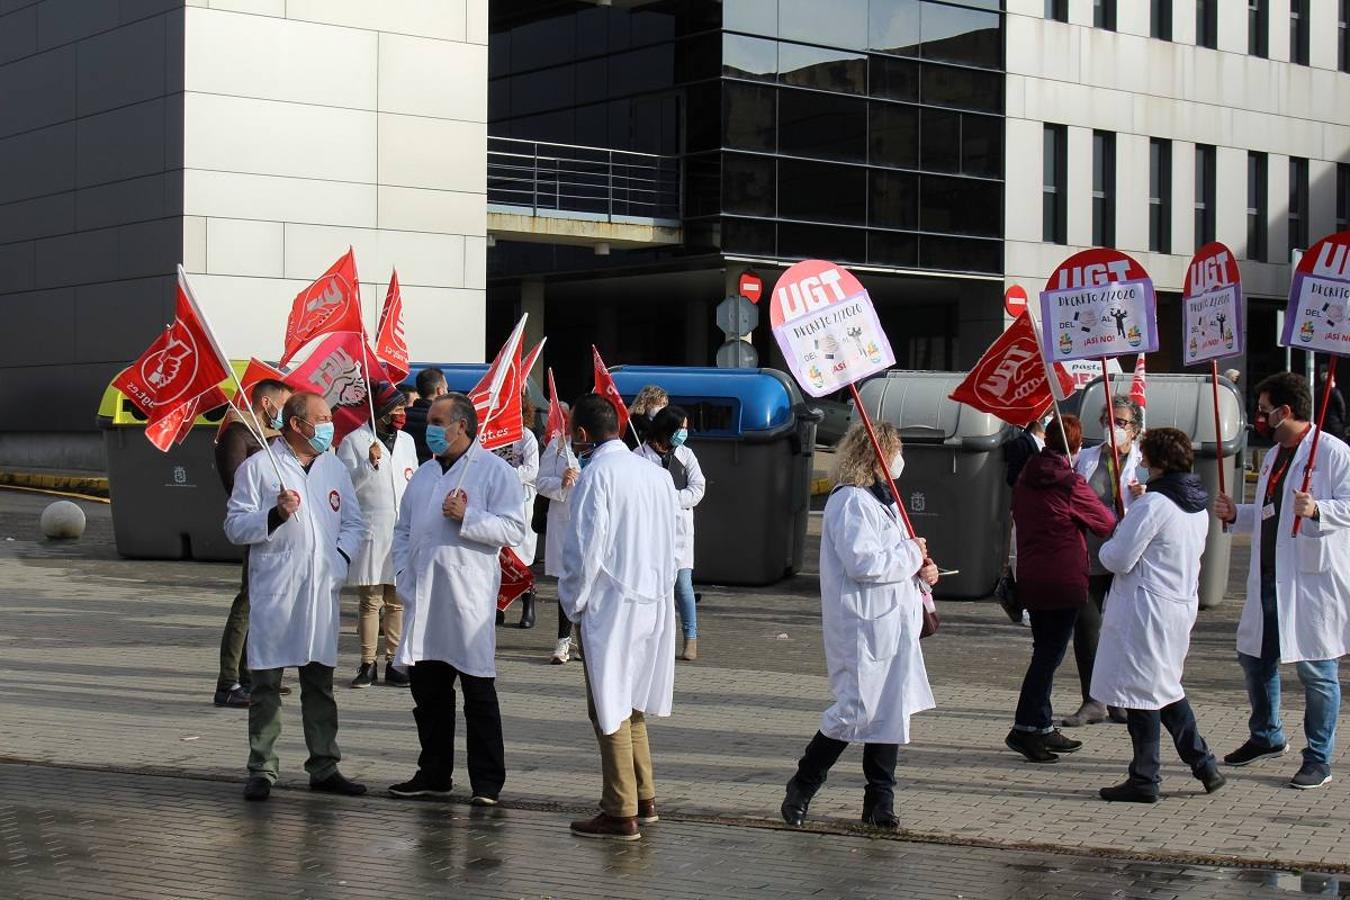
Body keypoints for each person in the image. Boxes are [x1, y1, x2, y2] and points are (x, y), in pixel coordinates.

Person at [781, 422, 939, 831]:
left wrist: (925, 570)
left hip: (893, 623)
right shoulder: (850, 501)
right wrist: (908, 552)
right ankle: (803, 784)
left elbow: (901, 558)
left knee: (892, 709)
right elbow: (864, 563)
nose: (900, 460)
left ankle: (879, 802)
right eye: (895, 451)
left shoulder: (883, 500)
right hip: (863, 625)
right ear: (877, 456)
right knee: (856, 709)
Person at [223, 391, 369, 802]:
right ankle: (262, 767)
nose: (329, 425)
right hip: (277, 590)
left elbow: (354, 523)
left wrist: (339, 560)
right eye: (321, 418)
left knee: (319, 682)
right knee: (266, 683)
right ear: (295, 424)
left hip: (320, 591)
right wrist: (274, 515)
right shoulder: (260, 468)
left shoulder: (334, 468)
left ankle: (324, 765)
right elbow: (234, 526)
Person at [388, 393, 527, 805]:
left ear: (461, 425)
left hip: (466, 599)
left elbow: (513, 529)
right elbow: (403, 529)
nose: (428, 427)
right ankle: (434, 773)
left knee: (478, 692)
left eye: (436, 420)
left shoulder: (493, 471)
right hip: (424, 596)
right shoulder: (425, 475)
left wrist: (468, 518)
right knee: (429, 694)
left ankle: (487, 782)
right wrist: (401, 572)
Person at [1215, 372, 1350, 790]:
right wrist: (1237, 513)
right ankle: (1267, 735)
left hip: (1312, 581)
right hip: (1269, 578)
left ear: (1285, 411)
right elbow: (1271, 512)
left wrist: (1318, 511)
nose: (1259, 417)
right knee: (1255, 658)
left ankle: (1319, 757)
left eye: (1263, 409)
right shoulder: (1275, 455)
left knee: (1316, 670)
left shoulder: (1332, 453)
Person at [559, 394, 678, 841]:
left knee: (608, 706)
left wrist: (573, 604)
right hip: (652, 601)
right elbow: (676, 541)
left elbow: (585, 551)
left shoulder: (597, 476)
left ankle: (619, 809)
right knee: (633, 702)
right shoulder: (655, 476)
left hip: (613, 607)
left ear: (583, 435)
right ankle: (644, 796)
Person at [1090, 428, 1226, 802]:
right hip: (1176, 606)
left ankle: (1145, 778)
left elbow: (1118, 557)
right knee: (1164, 689)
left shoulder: (1155, 504)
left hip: (1145, 609)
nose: (1143, 462)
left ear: (1160, 462)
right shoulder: (1195, 503)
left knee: (1142, 694)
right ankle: (1204, 765)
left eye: (1147, 456)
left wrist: (1111, 541)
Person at [1007, 414, 1116, 763]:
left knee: (1045, 649)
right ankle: (1025, 728)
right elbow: (1105, 522)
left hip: (1032, 574)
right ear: (1078, 446)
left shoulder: (1027, 473)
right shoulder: (1070, 482)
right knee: (1048, 656)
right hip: (1064, 576)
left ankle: (1040, 726)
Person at [1064, 395, 1145, 728]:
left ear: (1136, 429)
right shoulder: (1085, 458)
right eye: (1109, 421)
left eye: (1122, 423)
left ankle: (1121, 698)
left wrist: (1145, 496)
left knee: (1125, 628)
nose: (1114, 428)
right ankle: (1093, 699)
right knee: (1088, 626)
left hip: (1130, 555)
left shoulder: (1144, 464)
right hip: (1093, 554)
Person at [212, 378, 292, 708]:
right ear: (266, 403)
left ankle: (252, 675)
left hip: (278, 530)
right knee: (246, 603)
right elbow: (237, 484)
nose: (284, 413)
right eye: (283, 405)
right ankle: (228, 681)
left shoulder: (267, 437)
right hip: (256, 528)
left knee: (262, 606)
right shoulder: (236, 433)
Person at [336, 382, 417, 689]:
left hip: (401, 531)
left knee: (397, 601)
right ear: (380, 410)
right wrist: (368, 465)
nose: (401, 413)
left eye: (402, 407)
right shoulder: (355, 442)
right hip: (371, 529)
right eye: (395, 408)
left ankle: (395, 663)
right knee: (371, 601)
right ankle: (367, 663)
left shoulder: (407, 441)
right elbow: (345, 489)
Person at [635, 405, 706, 661]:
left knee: (683, 587)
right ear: (667, 428)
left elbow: (698, 488)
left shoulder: (686, 455)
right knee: (654, 588)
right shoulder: (640, 455)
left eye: (686, 429)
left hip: (680, 531)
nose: (684, 433)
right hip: (652, 532)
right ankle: (655, 638)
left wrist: (672, 498)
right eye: (681, 428)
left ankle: (691, 639)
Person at [536, 402, 580, 664]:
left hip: (593, 524)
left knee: (592, 586)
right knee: (566, 585)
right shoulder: (558, 445)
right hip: (564, 522)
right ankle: (563, 641)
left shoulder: (604, 449)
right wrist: (561, 483)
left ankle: (586, 642)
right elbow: (541, 482)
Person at [493, 388, 540, 629]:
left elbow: (531, 470)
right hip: (497, 501)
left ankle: (528, 604)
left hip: (522, 501)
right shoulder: (494, 435)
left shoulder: (526, 437)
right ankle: (499, 606)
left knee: (521, 556)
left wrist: (505, 474)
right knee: (500, 555)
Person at [406, 367, 448, 464]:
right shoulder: (443, 421)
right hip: (432, 473)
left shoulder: (403, 416)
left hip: (407, 473)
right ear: (440, 391)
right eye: (446, 388)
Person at [1004, 419, 1046, 489]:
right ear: (1038, 420)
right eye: (1049, 414)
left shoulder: (1051, 445)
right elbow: (1012, 479)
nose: (1052, 417)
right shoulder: (1022, 443)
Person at [625, 384, 668, 448]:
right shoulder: (636, 419)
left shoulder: (660, 420)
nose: (661, 408)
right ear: (647, 403)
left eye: (663, 404)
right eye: (658, 404)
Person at [1316, 365, 1347, 442]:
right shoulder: (1335, 391)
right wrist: (1342, 421)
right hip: (1335, 426)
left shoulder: (1316, 391)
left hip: (1321, 425)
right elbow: (1341, 408)